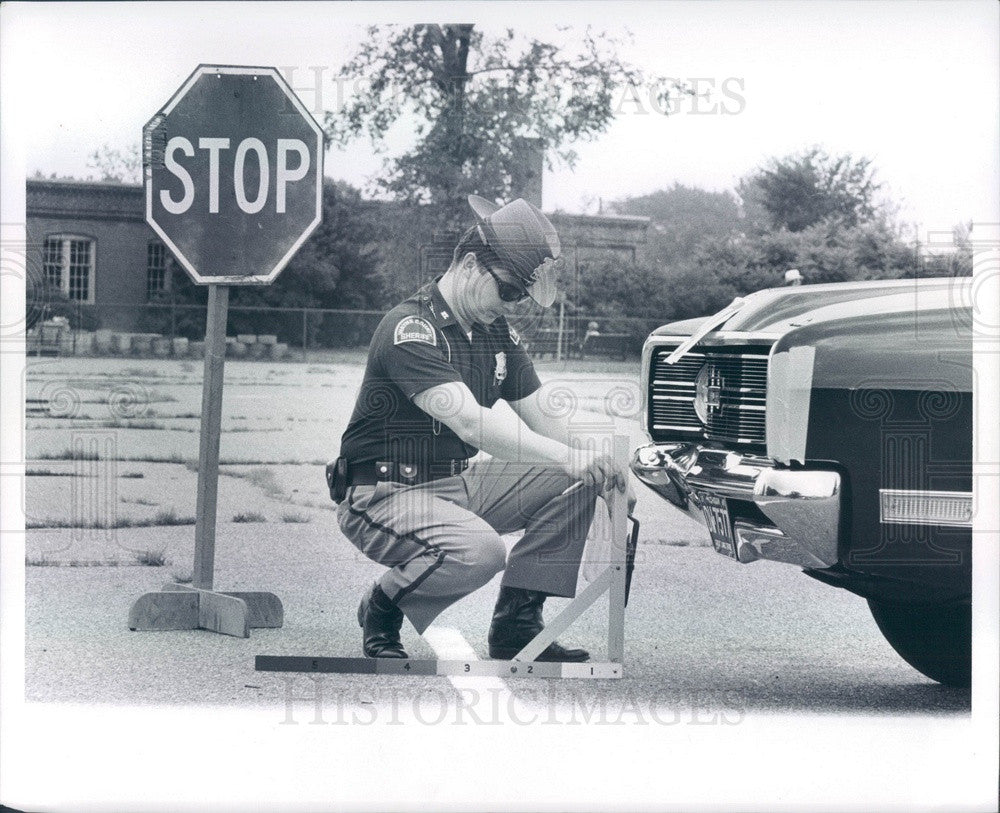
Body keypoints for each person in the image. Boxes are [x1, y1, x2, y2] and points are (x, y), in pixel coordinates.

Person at [332, 195, 633, 662]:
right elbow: (470, 421)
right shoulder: (411, 328)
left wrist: (602, 468)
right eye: (510, 290)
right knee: (482, 552)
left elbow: (544, 416)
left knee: (580, 478)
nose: (512, 304)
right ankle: (383, 605)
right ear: (471, 264)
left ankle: (516, 624)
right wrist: (568, 456)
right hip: (384, 491)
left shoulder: (494, 333)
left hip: (453, 484)